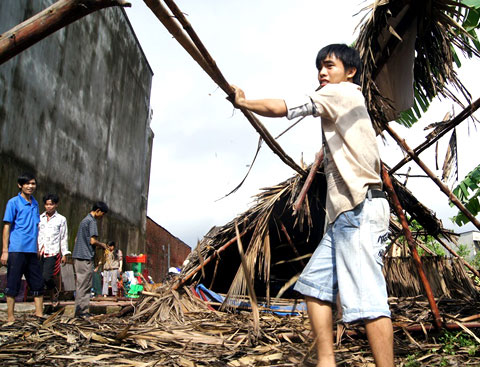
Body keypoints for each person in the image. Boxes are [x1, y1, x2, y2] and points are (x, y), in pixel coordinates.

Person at [231, 44, 393, 367]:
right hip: (344, 217)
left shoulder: (342, 92)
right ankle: (326, 362)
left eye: (329, 65)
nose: (322, 72)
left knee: (370, 302)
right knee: (315, 287)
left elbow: (283, 108)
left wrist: (243, 102)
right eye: (319, 67)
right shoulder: (343, 107)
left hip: (360, 210)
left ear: (350, 72)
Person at [2, 172, 44, 322]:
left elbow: (36, 227)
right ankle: (10, 317)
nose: (30, 186)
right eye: (27, 183)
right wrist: (5, 251)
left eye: (33, 183)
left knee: (37, 283)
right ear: (20, 185)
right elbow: (7, 226)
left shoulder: (35, 203)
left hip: (32, 250)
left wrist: (37, 247)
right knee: (13, 283)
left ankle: (39, 315)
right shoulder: (13, 203)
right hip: (16, 249)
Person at [72, 201, 108, 317]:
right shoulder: (91, 221)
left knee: (81, 284)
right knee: (85, 285)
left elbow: (77, 239)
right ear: (98, 211)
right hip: (85, 257)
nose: (102, 216)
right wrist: (102, 245)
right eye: (102, 214)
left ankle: (80, 310)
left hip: (78, 256)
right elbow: (92, 241)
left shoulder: (84, 221)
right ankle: (81, 311)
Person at [38, 193, 69, 306]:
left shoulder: (61, 219)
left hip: (52, 251)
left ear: (56, 205)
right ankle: (41, 301)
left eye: (51, 205)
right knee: (38, 277)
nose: (48, 207)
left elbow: (63, 237)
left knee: (47, 276)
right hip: (39, 251)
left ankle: (53, 292)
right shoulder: (39, 218)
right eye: (46, 205)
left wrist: (64, 253)